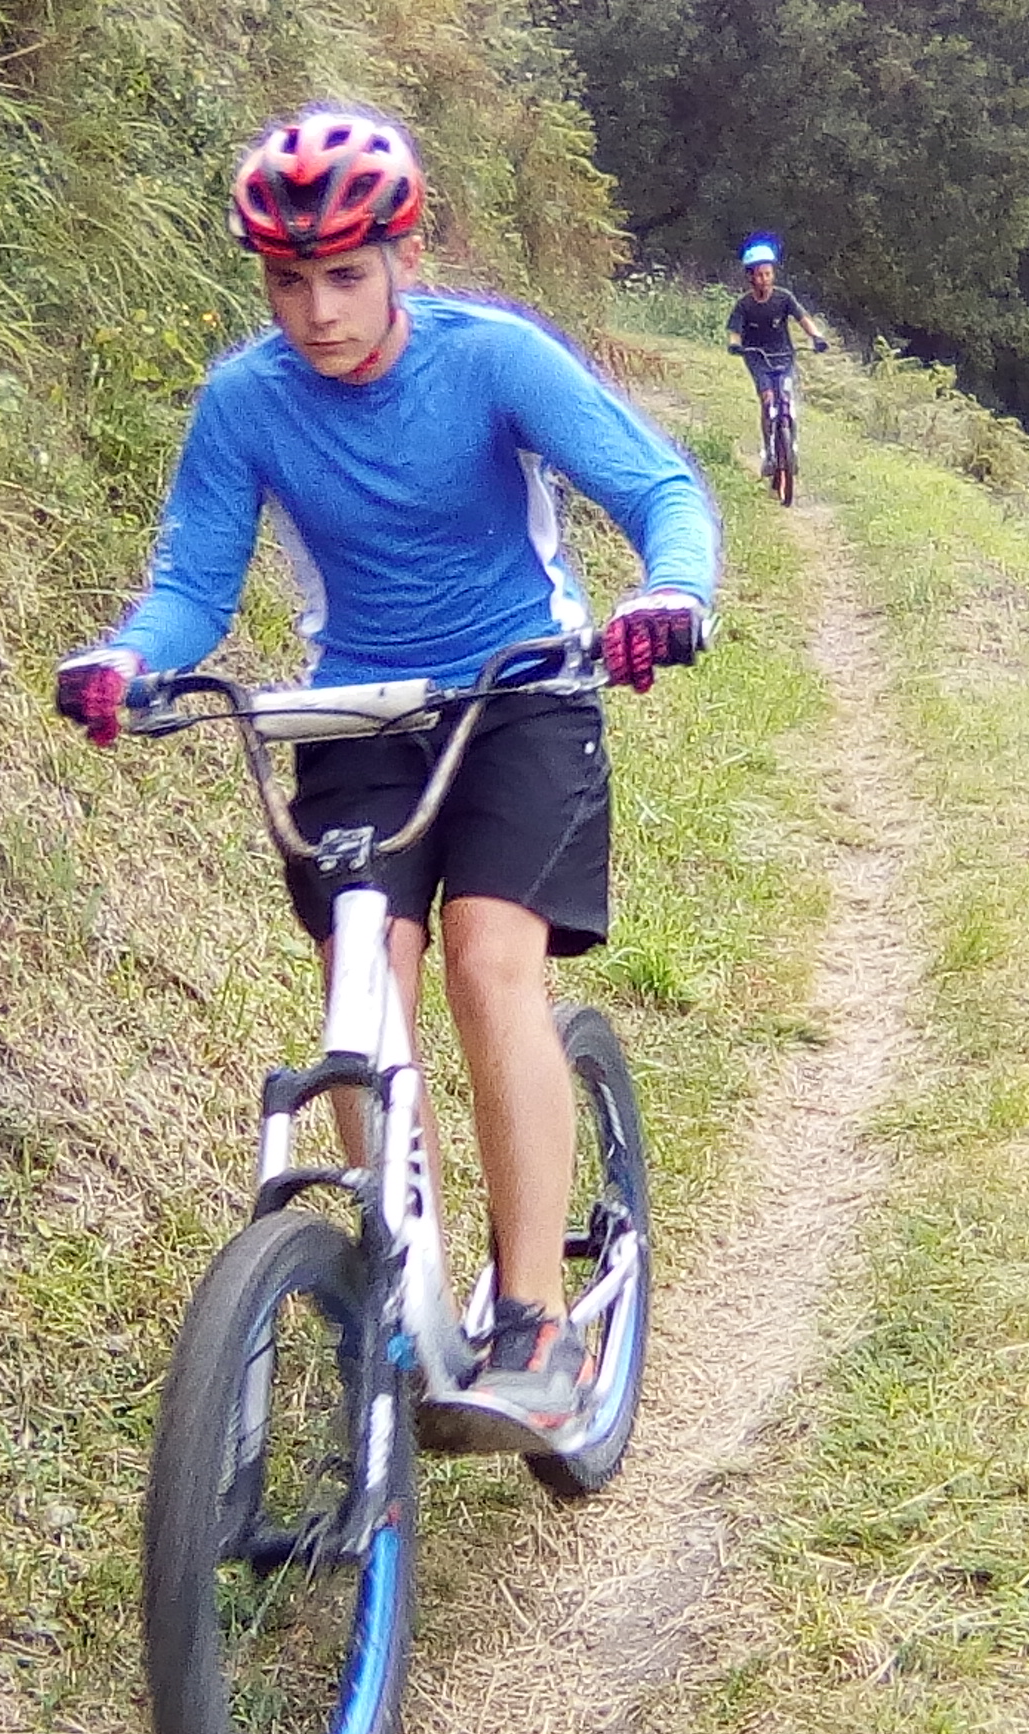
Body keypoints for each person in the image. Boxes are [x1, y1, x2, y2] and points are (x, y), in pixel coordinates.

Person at [53, 109, 718, 1431]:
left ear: (405, 258)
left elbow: (659, 492)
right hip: (354, 713)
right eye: (288, 281)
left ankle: (534, 1316)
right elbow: (192, 587)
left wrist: (671, 590)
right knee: (364, 982)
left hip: (521, 695)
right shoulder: (246, 402)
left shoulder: (492, 360)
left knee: (488, 960)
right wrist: (130, 659)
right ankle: (397, 1283)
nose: (318, 311)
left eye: (346, 275)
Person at [725, 237, 830, 453]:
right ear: (750, 277)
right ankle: (768, 449)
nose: (764, 279)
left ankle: (792, 443)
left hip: (784, 354)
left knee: (786, 396)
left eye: (768, 274)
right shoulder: (744, 304)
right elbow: (735, 331)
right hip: (757, 357)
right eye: (759, 275)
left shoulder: (784, 298)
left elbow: (803, 318)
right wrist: (735, 344)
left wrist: (817, 337)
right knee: (767, 399)